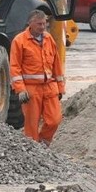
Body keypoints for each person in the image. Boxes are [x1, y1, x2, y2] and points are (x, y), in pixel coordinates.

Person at [9, 9, 65, 146]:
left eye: (44, 23)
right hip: (31, 89)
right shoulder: (20, 41)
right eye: (39, 24)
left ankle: (44, 142)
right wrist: (20, 89)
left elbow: (56, 64)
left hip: (49, 87)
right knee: (31, 123)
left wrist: (60, 88)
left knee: (54, 119)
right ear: (30, 23)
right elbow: (15, 67)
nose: (43, 27)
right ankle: (33, 149)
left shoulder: (48, 39)